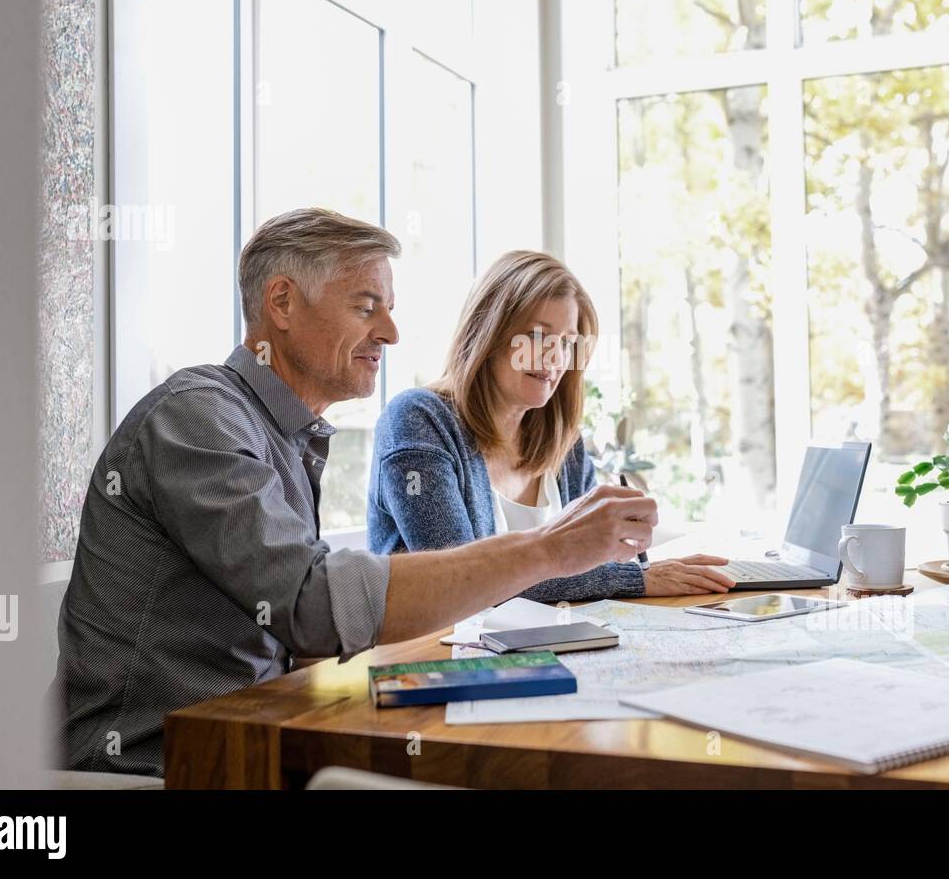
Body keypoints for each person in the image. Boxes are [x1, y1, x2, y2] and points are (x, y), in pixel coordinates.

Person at [52, 209, 658, 776]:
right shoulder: (198, 418)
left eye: (389, 309)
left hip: (255, 740)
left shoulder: (284, 435)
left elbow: (297, 644)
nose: (391, 332)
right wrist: (549, 548)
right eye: (367, 307)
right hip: (160, 766)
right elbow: (311, 605)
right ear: (282, 302)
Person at [368, 250, 733, 602]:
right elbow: (461, 581)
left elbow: (598, 565)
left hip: (549, 648)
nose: (555, 358)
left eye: (567, 343)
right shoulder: (418, 420)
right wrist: (635, 580)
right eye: (539, 336)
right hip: (434, 658)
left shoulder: (564, 443)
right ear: (489, 334)